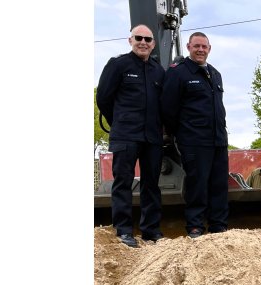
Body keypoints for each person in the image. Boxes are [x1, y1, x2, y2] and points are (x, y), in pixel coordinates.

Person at [96, 24, 166, 248]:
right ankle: (124, 231)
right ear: (130, 40)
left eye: (147, 39)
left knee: (151, 184)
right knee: (123, 182)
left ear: (153, 44)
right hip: (126, 135)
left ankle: (151, 231)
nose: (143, 42)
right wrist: (120, 121)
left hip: (152, 137)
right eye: (139, 38)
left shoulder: (158, 71)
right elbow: (104, 98)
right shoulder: (118, 65)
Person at [161, 31, 229, 238]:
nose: (200, 50)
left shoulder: (215, 74)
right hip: (194, 140)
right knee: (197, 184)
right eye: (196, 46)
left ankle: (218, 226)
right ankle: (195, 226)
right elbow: (168, 107)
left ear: (209, 49)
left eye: (204, 46)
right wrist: (179, 132)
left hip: (218, 140)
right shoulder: (178, 73)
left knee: (219, 184)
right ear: (189, 47)